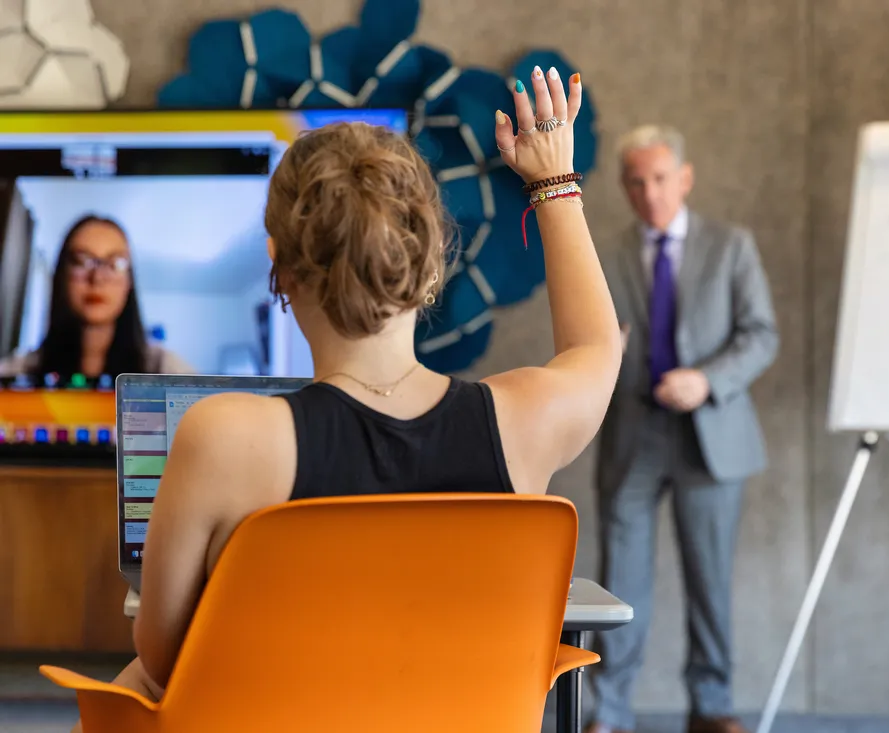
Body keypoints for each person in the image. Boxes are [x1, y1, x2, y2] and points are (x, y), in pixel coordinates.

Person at [69, 66, 617, 733]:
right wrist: (552, 181)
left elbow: (160, 655)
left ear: (280, 269)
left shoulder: (226, 437)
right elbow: (596, 349)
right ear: (432, 267)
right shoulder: (524, 420)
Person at [585, 125, 779, 733]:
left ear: (685, 178)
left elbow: (761, 334)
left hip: (710, 434)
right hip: (633, 432)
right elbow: (587, 341)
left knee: (710, 579)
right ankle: (609, 714)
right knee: (620, 584)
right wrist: (599, 353)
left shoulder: (731, 246)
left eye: (661, 179)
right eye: (636, 183)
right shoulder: (604, 255)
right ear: (623, 187)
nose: (650, 194)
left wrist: (709, 380)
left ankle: (712, 706)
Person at [0, 215, 192, 381]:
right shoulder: (16, 373)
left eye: (115, 263)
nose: (97, 278)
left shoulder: (168, 370)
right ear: (61, 275)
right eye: (81, 261)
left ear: (129, 282)